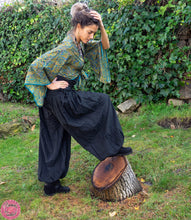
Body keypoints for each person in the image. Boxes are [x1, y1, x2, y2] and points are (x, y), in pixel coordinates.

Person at [24, 2, 132, 196]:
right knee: (102, 102)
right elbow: (36, 66)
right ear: (79, 27)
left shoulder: (79, 44)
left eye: (93, 33)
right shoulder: (67, 47)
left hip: (54, 99)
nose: (91, 37)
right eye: (90, 32)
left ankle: (51, 185)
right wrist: (49, 84)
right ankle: (113, 147)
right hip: (59, 96)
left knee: (55, 137)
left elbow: (104, 46)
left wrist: (101, 26)